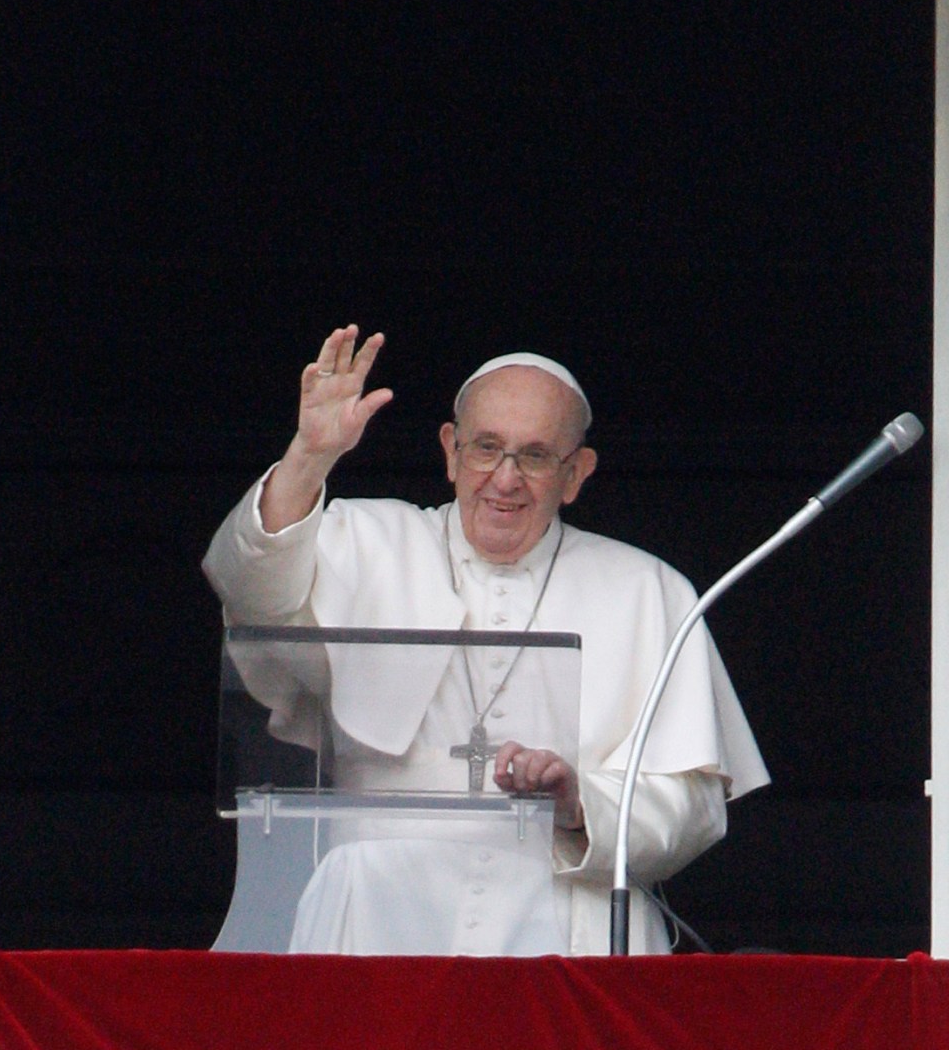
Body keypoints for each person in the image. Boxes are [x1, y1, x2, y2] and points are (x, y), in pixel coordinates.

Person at [203, 326, 768, 955]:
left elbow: (692, 807)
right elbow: (250, 592)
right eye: (486, 448)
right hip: (375, 920)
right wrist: (309, 456)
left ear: (576, 473)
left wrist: (580, 804)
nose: (504, 479)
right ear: (450, 451)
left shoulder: (647, 589)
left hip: (567, 925)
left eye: (533, 456)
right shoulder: (363, 541)